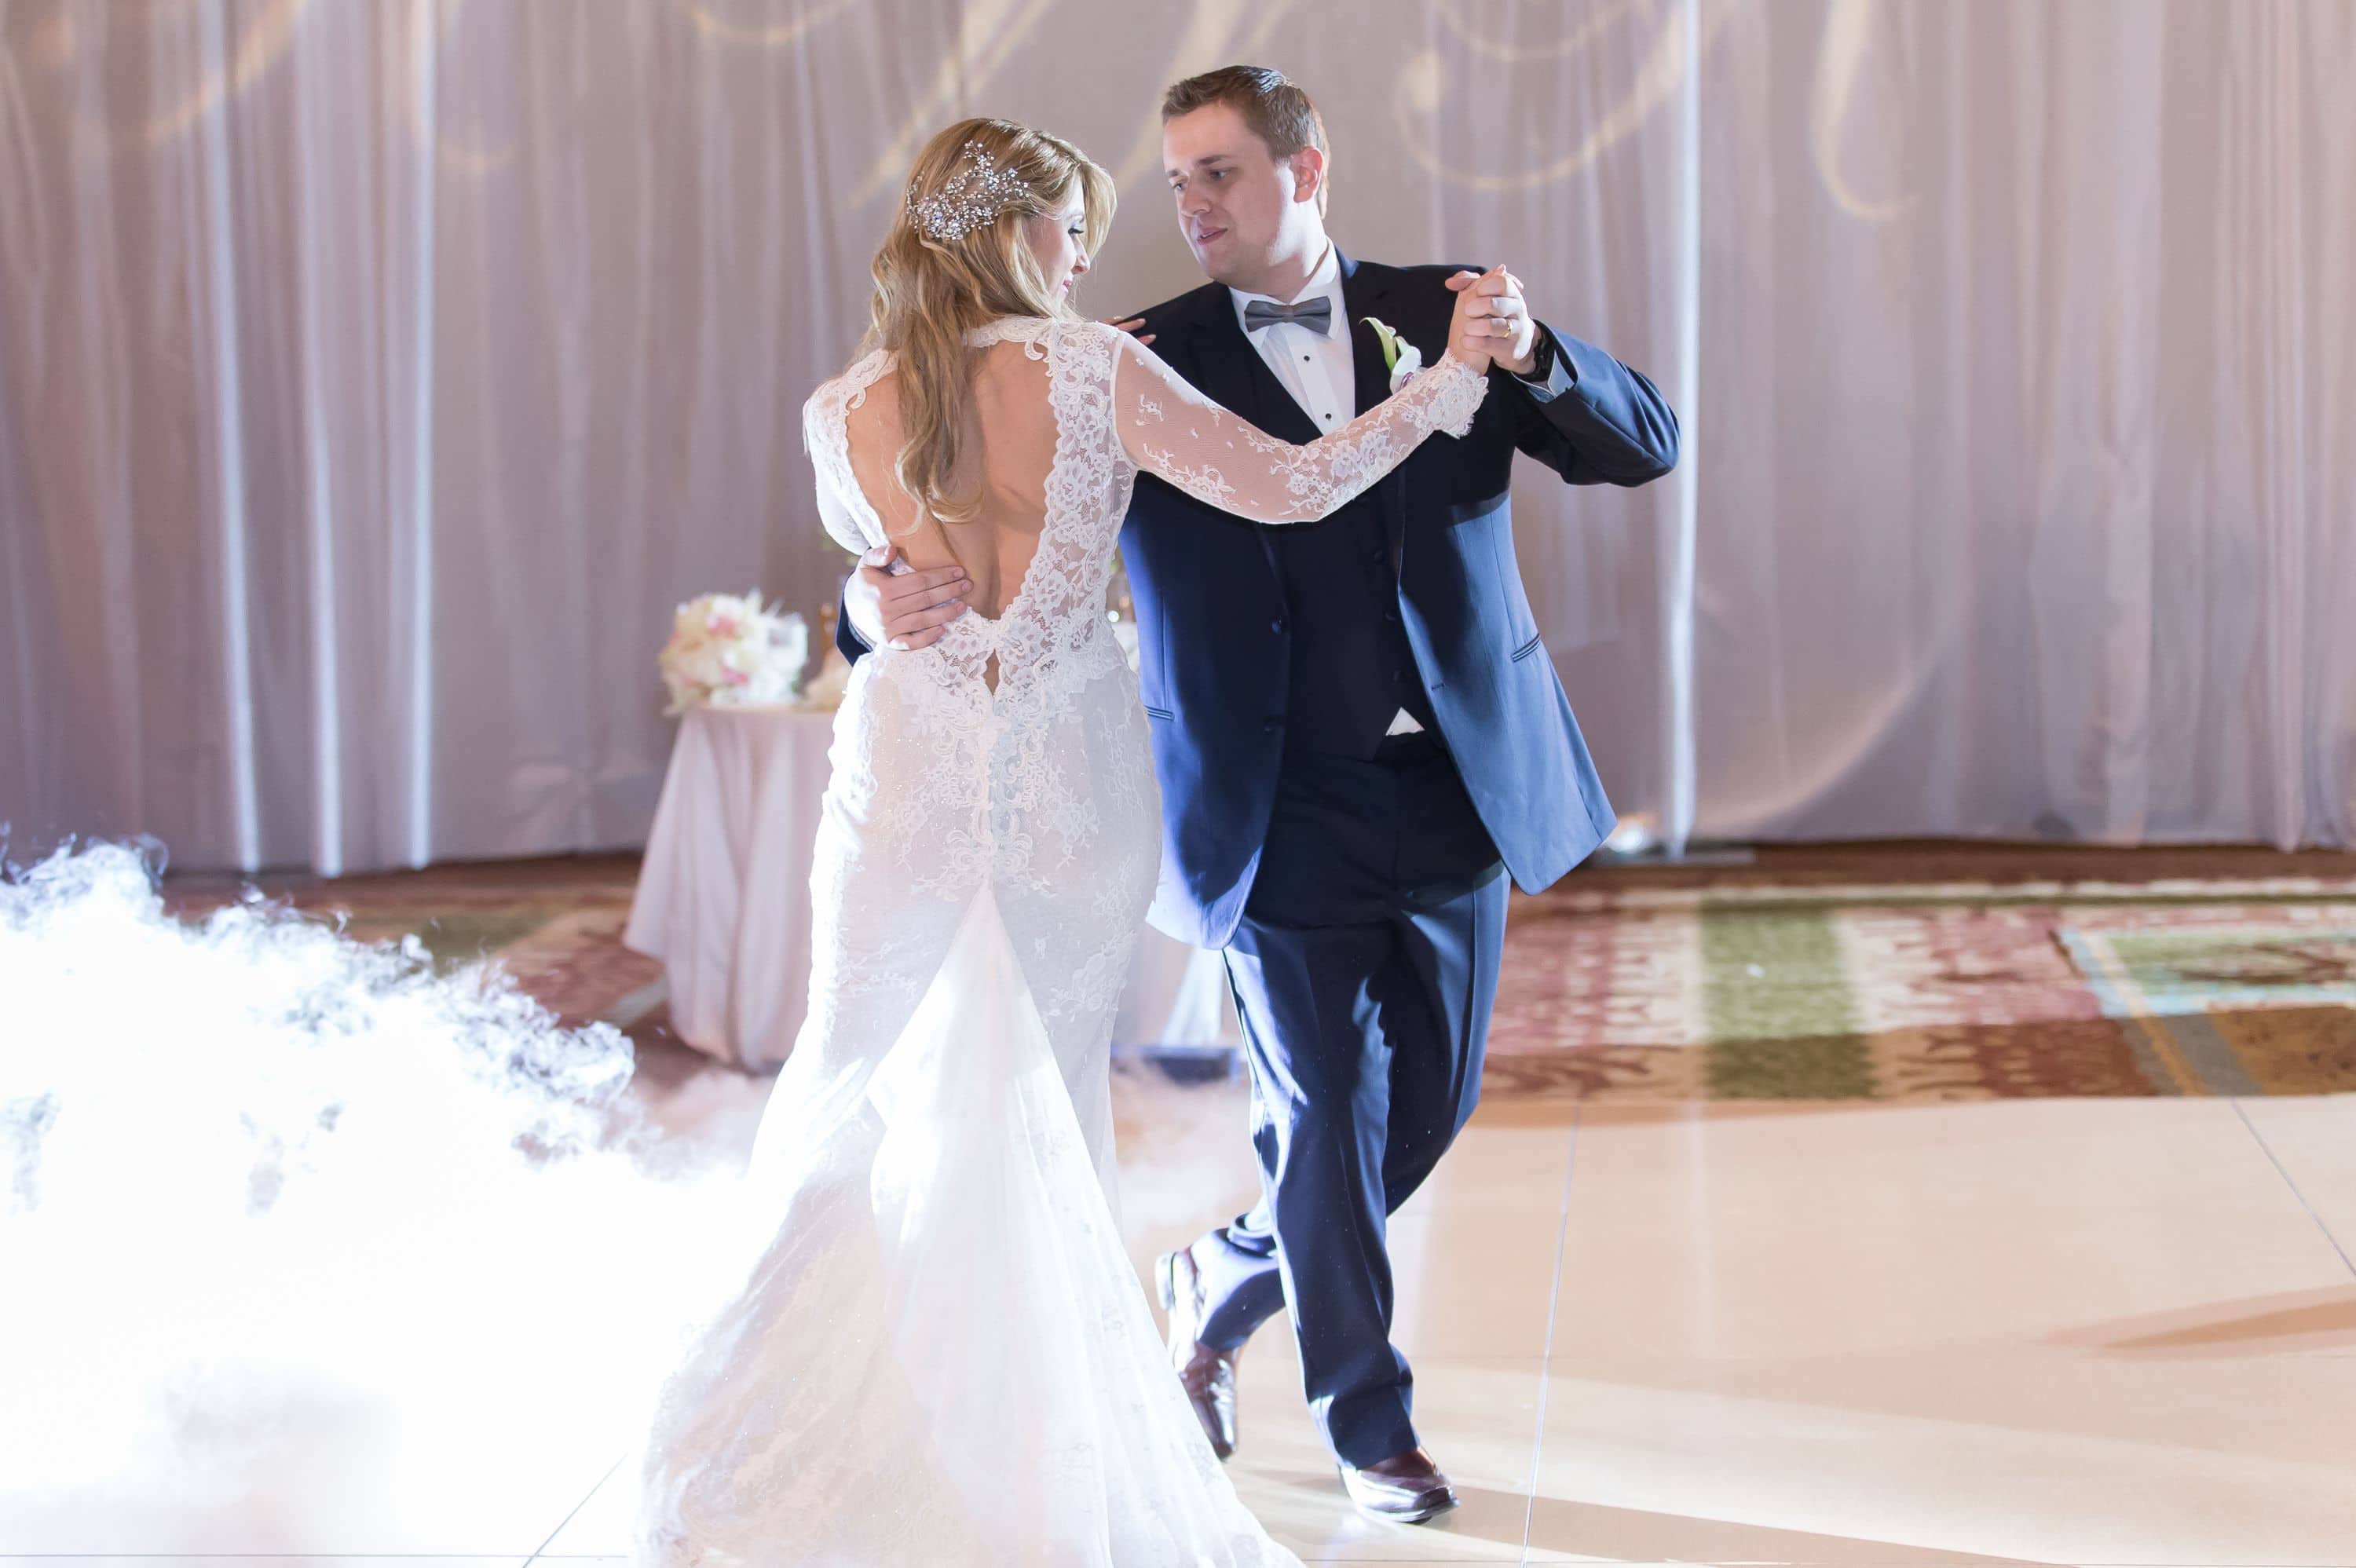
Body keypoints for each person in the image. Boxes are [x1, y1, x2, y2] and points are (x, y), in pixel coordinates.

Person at [635, 115, 1501, 1566]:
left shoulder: (836, 409)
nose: (1090, 255)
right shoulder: (1094, 370)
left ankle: (767, 1429)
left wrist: (865, 606)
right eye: (1072, 227)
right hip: (1062, 782)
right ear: (1011, 233)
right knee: (1038, 1095)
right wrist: (1446, 390)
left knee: (854, 1081)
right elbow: (1290, 485)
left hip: (903, 778)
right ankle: (1032, 1455)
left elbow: (884, 593)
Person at [843, 65, 1680, 1526]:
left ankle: (1220, 1272)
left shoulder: (1449, 311)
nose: (1191, 204)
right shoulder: (1120, 356)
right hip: (1267, 797)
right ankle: (1371, 1425)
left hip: (1457, 782)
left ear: (1309, 170)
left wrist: (1537, 351)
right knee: (1322, 1103)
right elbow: (947, 534)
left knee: (1425, 1104)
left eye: (1220, 172)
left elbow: (1645, 445)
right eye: (1176, 181)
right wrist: (868, 602)